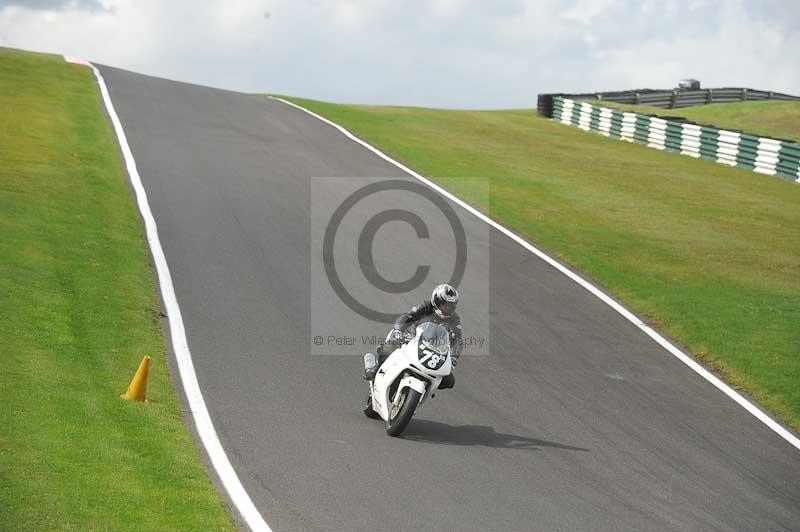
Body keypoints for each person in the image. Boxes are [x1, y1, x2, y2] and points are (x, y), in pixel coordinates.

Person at [364, 283, 462, 390]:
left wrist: (453, 357)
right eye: (444, 304)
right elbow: (407, 317)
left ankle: (424, 390)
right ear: (436, 301)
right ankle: (374, 367)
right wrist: (398, 331)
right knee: (389, 349)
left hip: (432, 350)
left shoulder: (454, 319)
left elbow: (457, 339)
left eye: (450, 305)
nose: (446, 308)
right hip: (410, 339)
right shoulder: (426, 306)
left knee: (449, 381)